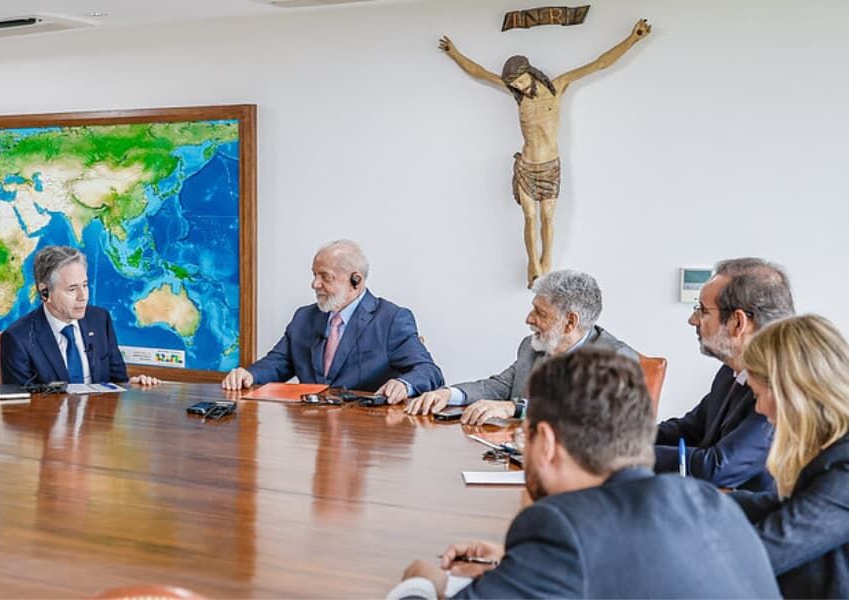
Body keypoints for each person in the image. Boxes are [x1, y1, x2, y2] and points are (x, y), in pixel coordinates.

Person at [389, 348, 779, 599]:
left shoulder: (560, 528)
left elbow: (580, 549)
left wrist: (423, 582)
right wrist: (522, 563)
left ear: (544, 441)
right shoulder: (713, 504)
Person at [439, 20, 650, 286]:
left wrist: (633, 38)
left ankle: (546, 261)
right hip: (527, 164)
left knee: (548, 217)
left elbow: (599, 63)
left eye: (520, 81)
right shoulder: (517, 94)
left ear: (530, 72)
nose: (517, 87)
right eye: (513, 84)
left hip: (550, 165)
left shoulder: (558, 86)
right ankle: (534, 263)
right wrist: (454, 53)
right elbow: (479, 72)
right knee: (529, 216)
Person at [221, 240, 443, 402]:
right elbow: (279, 362)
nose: (314, 284)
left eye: (324, 277)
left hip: (365, 435)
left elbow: (428, 371)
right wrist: (249, 374)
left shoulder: (391, 319)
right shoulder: (304, 317)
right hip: (310, 432)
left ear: (356, 281)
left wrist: (404, 385)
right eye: (314, 275)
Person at [403, 269, 636, 424]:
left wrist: (514, 409)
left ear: (570, 322)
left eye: (540, 313)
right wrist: (448, 394)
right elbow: (499, 386)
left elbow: (588, 414)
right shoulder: (533, 346)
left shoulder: (616, 358)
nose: (529, 319)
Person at [733, 314, 849, 598]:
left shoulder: (844, 467)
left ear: (790, 393)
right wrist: (701, 501)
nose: (758, 409)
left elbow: (766, 552)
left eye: (758, 395)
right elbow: (790, 506)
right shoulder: (832, 450)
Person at [655, 257, 795, 492]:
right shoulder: (730, 372)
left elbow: (718, 467)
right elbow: (689, 429)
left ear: (738, 322)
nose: (693, 320)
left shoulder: (781, 387)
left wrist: (631, 455)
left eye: (702, 310)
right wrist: (623, 438)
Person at [0, 246, 159, 387]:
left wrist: (132, 386)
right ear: (45, 292)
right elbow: (20, 407)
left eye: (85, 285)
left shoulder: (100, 320)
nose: (83, 296)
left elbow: (118, 381)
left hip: (99, 419)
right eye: (72, 289)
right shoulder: (18, 338)